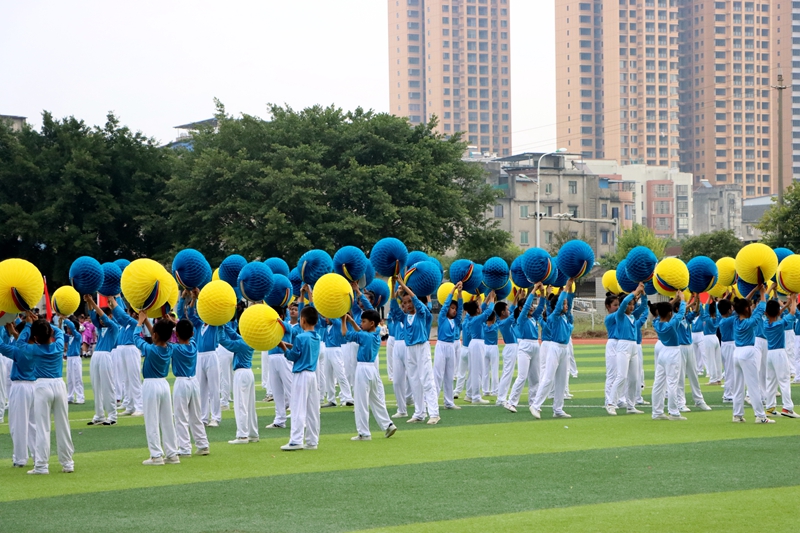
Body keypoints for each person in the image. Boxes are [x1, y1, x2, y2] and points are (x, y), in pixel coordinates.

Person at [1, 312, 74, 474]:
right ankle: (68, 463)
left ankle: (41, 465)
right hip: (59, 385)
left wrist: (28, 324)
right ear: (49, 333)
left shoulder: (33, 349)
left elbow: (20, 342)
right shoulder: (58, 345)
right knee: (63, 425)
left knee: (42, 427)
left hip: (42, 386)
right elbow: (59, 332)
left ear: (36, 337)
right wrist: (43, 323)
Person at [133, 312, 180, 465]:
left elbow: (136, 338)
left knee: (152, 420)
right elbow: (158, 335)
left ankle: (156, 455)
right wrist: (147, 321)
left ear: (154, 335)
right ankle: (172, 453)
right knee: (167, 420)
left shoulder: (151, 349)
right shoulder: (170, 347)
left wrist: (139, 323)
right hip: (164, 385)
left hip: (151, 385)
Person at [342, 310, 397, 441]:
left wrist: (343, 320)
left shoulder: (365, 336)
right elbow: (362, 331)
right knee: (376, 400)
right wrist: (352, 321)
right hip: (372, 369)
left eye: (364, 321)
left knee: (361, 402)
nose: (361, 324)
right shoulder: (376, 333)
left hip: (363, 368)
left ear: (372, 323)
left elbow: (345, 333)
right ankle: (388, 424)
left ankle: (364, 433)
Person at [395, 276, 440, 423]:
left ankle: (434, 413)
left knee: (426, 380)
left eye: (409, 302)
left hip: (421, 347)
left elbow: (417, 302)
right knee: (414, 381)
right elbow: (395, 309)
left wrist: (403, 285)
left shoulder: (422, 314)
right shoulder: (404, 317)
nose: (407, 304)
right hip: (410, 350)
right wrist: (395, 294)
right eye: (405, 302)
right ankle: (419, 413)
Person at [530, 279, 576, 419]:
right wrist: (566, 288)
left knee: (561, 380)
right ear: (557, 306)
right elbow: (556, 307)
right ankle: (535, 405)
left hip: (564, 349)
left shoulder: (565, 318)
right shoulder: (554, 316)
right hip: (555, 348)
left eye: (566, 304)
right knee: (548, 377)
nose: (566, 306)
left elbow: (569, 304)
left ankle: (558, 409)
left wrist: (569, 294)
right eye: (564, 304)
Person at [279, 306, 321, 451]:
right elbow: (302, 349)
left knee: (297, 407)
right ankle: (312, 440)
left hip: (301, 374)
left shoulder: (300, 337)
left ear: (302, 320)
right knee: (312, 409)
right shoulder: (316, 336)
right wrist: (289, 346)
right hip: (312, 375)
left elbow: (293, 356)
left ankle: (296, 440)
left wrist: (283, 347)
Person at [732, 283, 774, 423]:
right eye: (749, 306)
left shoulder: (735, 318)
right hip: (747, 352)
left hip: (736, 353)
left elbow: (742, 303)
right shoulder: (749, 322)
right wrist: (762, 292)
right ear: (745, 308)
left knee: (738, 386)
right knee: (753, 385)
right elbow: (761, 307)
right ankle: (760, 416)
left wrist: (755, 290)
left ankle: (737, 415)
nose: (751, 307)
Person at [170, 316, 210, 456]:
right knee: (196, 415)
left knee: (181, 417)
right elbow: (187, 334)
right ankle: (202, 444)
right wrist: (176, 325)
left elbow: (161, 340)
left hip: (181, 383)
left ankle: (185, 448)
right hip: (193, 382)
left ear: (177, 334)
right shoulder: (193, 344)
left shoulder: (175, 348)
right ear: (192, 333)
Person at [183, 289, 223, 427]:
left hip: (211, 355)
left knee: (214, 387)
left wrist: (203, 297)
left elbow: (217, 313)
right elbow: (191, 315)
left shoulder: (213, 323)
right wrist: (194, 298)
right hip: (199, 356)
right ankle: (203, 417)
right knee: (201, 388)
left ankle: (216, 417)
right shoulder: (199, 324)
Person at [505, 284, 545, 414]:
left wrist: (543, 293)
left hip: (535, 345)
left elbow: (540, 307)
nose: (531, 307)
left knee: (535, 378)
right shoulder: (521, 319)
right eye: (528, 306)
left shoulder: (533, 317)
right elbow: (527, 305)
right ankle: (511, 402)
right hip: (525, 347)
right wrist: (533, 290)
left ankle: (533, 403)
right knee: (522, 376)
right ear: (521, 308)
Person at [217, 321, 259, 445]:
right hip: (248, 373)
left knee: (241, 404)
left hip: (241, 374)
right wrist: (224, 325)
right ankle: (253, 434)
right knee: (250, 405)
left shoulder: (241, 343)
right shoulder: (248, 340)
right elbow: (234, 334)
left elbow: (223, 340)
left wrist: (219, 327)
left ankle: (242, 436)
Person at [1, 321, 36, 467]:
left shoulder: (18, 350)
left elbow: (2, 347)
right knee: (34, 425)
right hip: (35, 386)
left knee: (18, 424)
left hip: (20, 387)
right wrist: (19, 331)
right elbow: (22, 341)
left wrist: (4, 329)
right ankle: (38, 456)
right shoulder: (39, 348)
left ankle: (20, 458)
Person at [608, 284, 646, 415]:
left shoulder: (632, 317)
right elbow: (623, 302)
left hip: (633, 346)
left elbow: (643, 307)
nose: (631, 306)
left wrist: (644, 295)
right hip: (623, 346)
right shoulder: (620, 315)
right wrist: (635, 292)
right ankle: (611, 403)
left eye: (632, 304)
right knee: (621, 376)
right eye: (629, 304)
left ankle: (631, 405)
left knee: (634, 378)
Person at [651, 292, 687, 421]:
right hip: (672, 352)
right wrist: (682, 300)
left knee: (658, 383)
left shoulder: (656, 323)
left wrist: (675, 299)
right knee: (672, 383)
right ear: (670, 313)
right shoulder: (671, 325)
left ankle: (657, 412)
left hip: (663, 353)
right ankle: (674, 412)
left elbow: (664, 311)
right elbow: (681, 313)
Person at [85, 295, 120, 426]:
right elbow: (92, 314)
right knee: (96, 386)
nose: (101, 320)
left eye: (103, 317)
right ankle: (99, 415)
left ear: (110, 316)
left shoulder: (114, 327)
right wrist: (89, 302)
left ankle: (112, 415)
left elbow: (101, 315)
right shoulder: (99, 327)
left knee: (108, 386)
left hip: (106, 356)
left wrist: (93, 302)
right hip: (96, 356)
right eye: (100, 319)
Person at [764, 291, 799, 418]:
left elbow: (778, 314)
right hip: (779, 353)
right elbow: (792, 313)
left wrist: (787, 304)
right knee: (784, 380)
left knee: (771, 381)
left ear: (766, 313)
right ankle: (787, 408)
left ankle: (770, 407)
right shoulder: (780, 324)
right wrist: (793, 300)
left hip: (769, 354)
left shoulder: (765, 324)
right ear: (778, 312)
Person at [108, 297, 143, 416]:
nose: (131, 313)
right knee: (126, 379)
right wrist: (112, 307)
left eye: (133, 312)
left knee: (134, 378)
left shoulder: (135, 323)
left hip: (131, 349)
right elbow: (119, 317)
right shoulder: (126, 324)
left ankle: (140, 406)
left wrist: (114, 300)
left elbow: (123, 315)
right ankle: (130, 406)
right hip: (122, 350)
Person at [433, 282, 463, 410]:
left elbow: (461, 310)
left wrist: (460, 293)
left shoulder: (455, 321)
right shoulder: (442, 318)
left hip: (451, 347)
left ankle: (449, 402)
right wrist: (453, 289)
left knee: (449, 375)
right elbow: (445, 306)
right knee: (438, 374)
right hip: (441, 346)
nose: (454, 310)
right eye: (452, 308)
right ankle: (432, 401)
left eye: (455, 309)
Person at [463, 290, 497, 405]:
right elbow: (487, 312)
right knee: (478, 371)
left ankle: (469, 394)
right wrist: (492, 300)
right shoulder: (477, 319)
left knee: (473, 370)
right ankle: (476, 396)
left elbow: (482, 308)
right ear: (476, 310)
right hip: (478, 344)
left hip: (475, 344)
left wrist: (487, 298)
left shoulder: (472, 317)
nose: (480, 308)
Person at [265, 306, 294, 429]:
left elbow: (284, 326)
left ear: (280, 316)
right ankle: (279, 419)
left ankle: (300, 417)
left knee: (291, 388)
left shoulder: (286, 326)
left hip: (284, 357)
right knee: (276, 391)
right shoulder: (269, 328)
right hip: (272, 357)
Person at [494, 296, 519, 407]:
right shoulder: (504, 322)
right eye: (507, 309)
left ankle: (501, 397)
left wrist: (517, 297)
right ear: (503, 312)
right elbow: (515, 312)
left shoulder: (502, 320)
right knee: (507, 373)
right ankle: (501, 398)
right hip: (510, 348)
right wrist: (522, 302)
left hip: (511, 347)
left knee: (507, 373)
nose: (509, 311)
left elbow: (513, 310)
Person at [717, 297, 737, 403]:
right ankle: (728, 394)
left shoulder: (725, 319)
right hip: (729, 345)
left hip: (727, 345)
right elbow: (738, 312)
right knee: (730, 370)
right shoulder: (726, 320)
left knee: (731, 369)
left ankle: (730, 393)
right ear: (729, 310)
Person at [61, 315, 85, 404]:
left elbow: (72, 327)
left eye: (69, 329)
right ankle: (70, 396)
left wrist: (65, 319)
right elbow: (61, 334)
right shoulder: (69, 336)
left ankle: (80, 397)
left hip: (76, 359)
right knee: (70, 378)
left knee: (77, 378)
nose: (68, 330)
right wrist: (60, 322)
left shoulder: (77, 335)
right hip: (69, 359)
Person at [700, 301, 723, 385]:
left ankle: (713, 379)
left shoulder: (707, 318)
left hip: (708, 338)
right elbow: (717, 311)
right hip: (715, 337)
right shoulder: (717, 317)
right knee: (717, 359)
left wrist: (700, 299)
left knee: (711, 359)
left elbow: (704, 309)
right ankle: (719, 378)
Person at [482, 312, 500, 397]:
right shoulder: (496, 326)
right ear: (493, 319)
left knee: (485, 370)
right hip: (493, 347)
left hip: (485, 347)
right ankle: (495, 390)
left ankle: (485, 390)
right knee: (494, 370)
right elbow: (499, 320)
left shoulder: (483, 325)